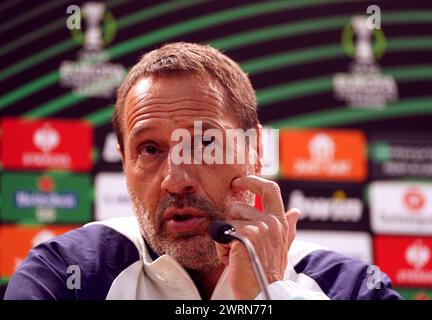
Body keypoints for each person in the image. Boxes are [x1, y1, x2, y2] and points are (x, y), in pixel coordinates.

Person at [5, 42, 402, 300]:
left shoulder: (352, 289)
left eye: (204, 144)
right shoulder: (63, 276)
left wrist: (270, 295)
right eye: (149, 149)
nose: (176, 179)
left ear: (256, 149)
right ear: (124, 163)